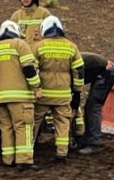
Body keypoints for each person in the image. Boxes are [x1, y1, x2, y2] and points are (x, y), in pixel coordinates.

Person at [0, 20, 42, 169]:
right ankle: (24, 161)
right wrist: (37, 86)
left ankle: (8, 159)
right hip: (20, 98)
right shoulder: (20, 44)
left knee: (6, 128)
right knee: (23, 127)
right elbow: (29, 69)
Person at [31, 15, 84, 163]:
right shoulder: (71, 47)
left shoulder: (38, 46)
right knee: (62, 123)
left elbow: (32, 69)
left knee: (34, 121)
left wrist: (36, 88)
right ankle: (62, 153)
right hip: (63, 94)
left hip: (43, 95)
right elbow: (79, 71)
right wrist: (77, 91)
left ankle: (30, 149)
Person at [74, 51, 114, 155]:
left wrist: (74, 107)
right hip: (100, 71)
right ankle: (86, 139)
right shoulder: (67, 62)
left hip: (107, 73)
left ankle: (94, 144)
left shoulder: (72, 65)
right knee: (89, 106)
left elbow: (76, 88)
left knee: (93, 107)